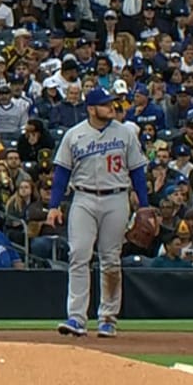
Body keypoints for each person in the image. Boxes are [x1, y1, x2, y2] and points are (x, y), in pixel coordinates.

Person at [46, 89, 147, 338]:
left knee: (110, 259)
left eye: (111, 103)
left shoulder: (125, 133)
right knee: (79, 254)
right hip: (83, 197)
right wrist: (53, 206)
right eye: (105, 104)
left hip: (116, 197)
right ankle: (77, 317)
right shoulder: (75, 134)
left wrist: (144, 205)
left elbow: (137, 171)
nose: (111, 107)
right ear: (91, 109)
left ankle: (108, 318)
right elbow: (61, 173)